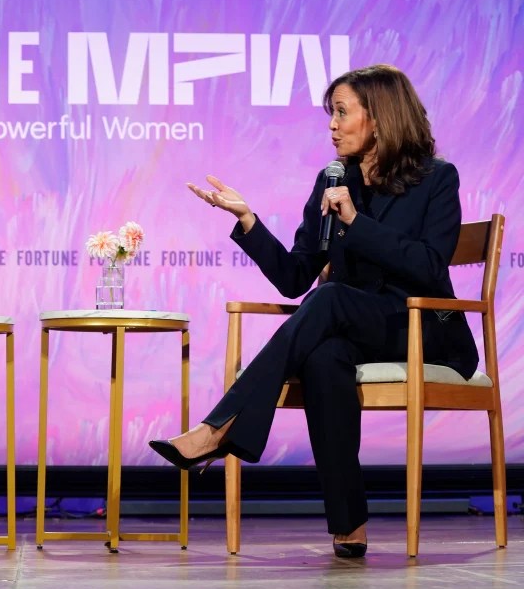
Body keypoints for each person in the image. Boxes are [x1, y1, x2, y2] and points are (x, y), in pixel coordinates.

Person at [149, 64, 479, 558]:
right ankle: (349, 524)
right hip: (352, 321)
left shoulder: (436, 178)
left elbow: (430, 266)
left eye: (342, 112)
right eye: (331, 114)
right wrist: (248, 220)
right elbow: (294, 277)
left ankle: (220, 428)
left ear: (380, 118)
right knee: (323, 357)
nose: (332, 125)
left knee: (328, 301)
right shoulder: (333, 179)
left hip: (419, 326)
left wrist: (356, 221)